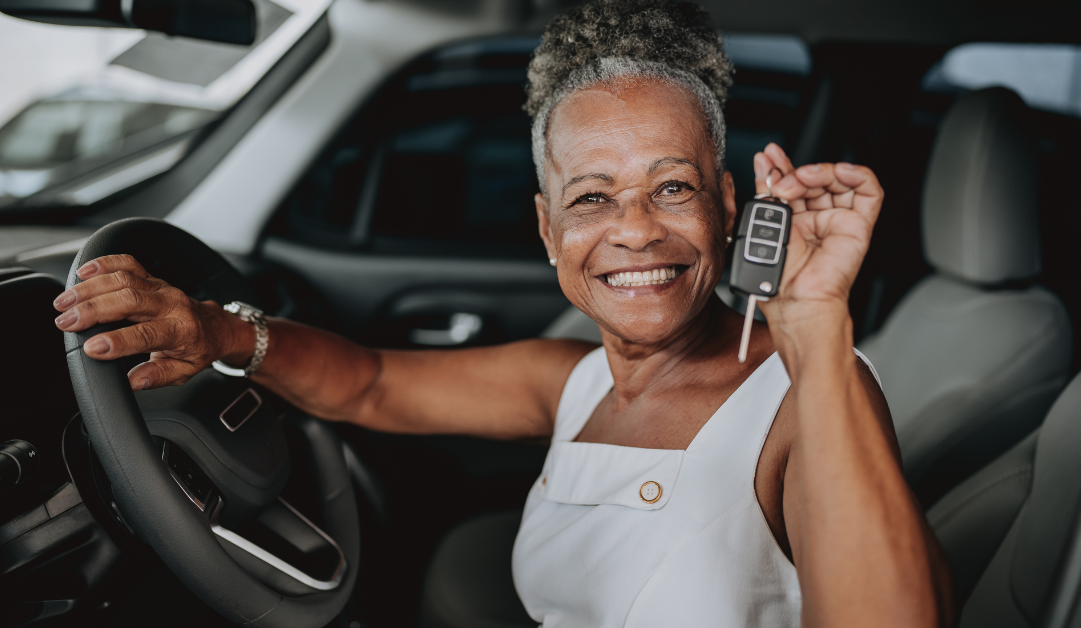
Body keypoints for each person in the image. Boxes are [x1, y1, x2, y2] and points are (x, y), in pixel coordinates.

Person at [51, 0, 953, 625]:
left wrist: (814, 324)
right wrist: (218, 333)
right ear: (546, 226)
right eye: (593, 198)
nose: (635, 231)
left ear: (726, 203)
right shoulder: (571, 379)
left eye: (671, 188)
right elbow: (369, 384)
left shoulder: (810, 391)